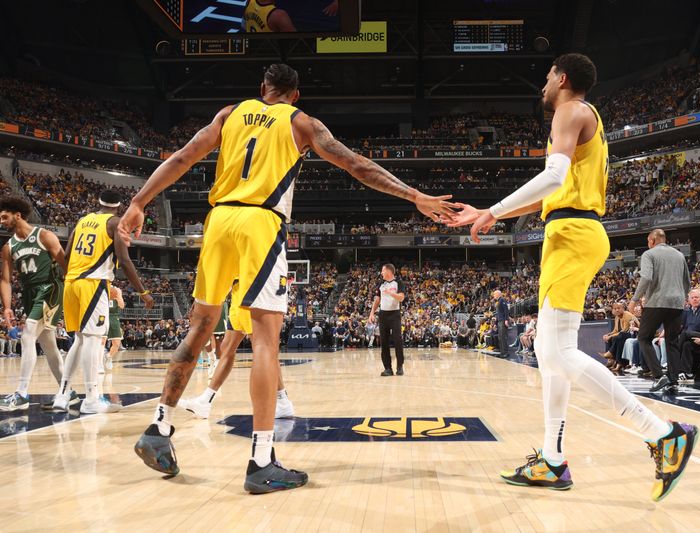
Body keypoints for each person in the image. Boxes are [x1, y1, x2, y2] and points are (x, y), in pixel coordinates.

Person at [120, 63, 452, 492]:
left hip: (217, 222)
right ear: (295, 95)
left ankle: (158, 428)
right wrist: (414, 195)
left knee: (201, 326)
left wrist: (138, 201)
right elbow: (355, 164)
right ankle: (261, 461)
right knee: (264, 339)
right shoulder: (301, 123)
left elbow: (183, 156)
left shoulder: (229, 114)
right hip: (260, 225)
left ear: (262, 89)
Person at [445, 53, 698, 501]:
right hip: (569, 229)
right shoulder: (581, 118)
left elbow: (553, 175)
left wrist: (493, 209)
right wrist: (493, 215)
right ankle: (553, 460)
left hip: (574, 233)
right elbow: (553, 188)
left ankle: (662, 433)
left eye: (546, 78)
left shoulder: (570, 109)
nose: (542, 86)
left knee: (557, 352)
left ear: (562, 78)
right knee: (550, 352)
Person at [50, 190, 154, 413]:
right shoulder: (115, 223)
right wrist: (142, 291)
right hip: (93, 284)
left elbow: (65, 256)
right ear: (119, 206)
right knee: (92, 340)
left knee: (79, 339)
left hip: (71, 282)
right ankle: (91, 399)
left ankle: (62, 395)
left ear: (98, 202)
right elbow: (124, 261)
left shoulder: (82, 221)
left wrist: (73, 278)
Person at [179, 280, 295, 420]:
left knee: (264, 351)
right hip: (237, 299)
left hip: (250, 297)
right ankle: (205, 401)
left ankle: (282, 401)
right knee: (227, 348)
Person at [0, 196, 72, 411]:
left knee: (28, 334)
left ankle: (21, 393)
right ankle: (68, 392)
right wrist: (7, 307)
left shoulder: (44, 236)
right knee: (48, 344)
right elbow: (5, 280)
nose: (1, 221)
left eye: (4, 217)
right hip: (29, 293)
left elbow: (66, 267)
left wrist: (71, 294)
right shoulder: (8, 247)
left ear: (17, 215)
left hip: (49, 288)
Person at [628, 229, 691, 391]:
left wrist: (635, 299)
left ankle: (658, 375)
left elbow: (647, 277)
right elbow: (687, 282)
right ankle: (673, 382)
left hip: (657, 301)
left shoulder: (649, 254)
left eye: (648, 241)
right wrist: (681, 297)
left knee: (643, 337)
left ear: (652, 240)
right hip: (677, 303)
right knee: (672, 342)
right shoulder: (679, 255)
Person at [368, 263, 406, 376]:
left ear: (389, 271)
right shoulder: (381, 283)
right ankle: (388, 368)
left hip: (395, 314)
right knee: (384, 342)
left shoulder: (398, 282)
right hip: (383, 315)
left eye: (382, 270)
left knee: (398, 340)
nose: (381, 272)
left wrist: (391, 293)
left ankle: (399, 366)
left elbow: (402, 297)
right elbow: (377, 299)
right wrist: (371, 313)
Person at [100, 283, 125, 371]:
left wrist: (117, 296)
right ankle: (99, 364)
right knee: (102, 341)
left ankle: (109, 357)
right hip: (103, 316)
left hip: (114, 317)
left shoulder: (117, 290)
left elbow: (122, 306)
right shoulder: (100, 287)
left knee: (117, 344)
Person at [493, 290, 510, 357]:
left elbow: (506, 311)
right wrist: (495, 323)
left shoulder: (502, 300)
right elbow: (498, 314)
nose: (493, 295)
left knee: (503, 337)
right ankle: (502, 352)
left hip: (503, 321)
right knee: (500, 337)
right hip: (499, 321)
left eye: (494, 294)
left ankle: (505, 352)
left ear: (498, 294)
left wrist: (506, 320)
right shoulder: (498, 301)